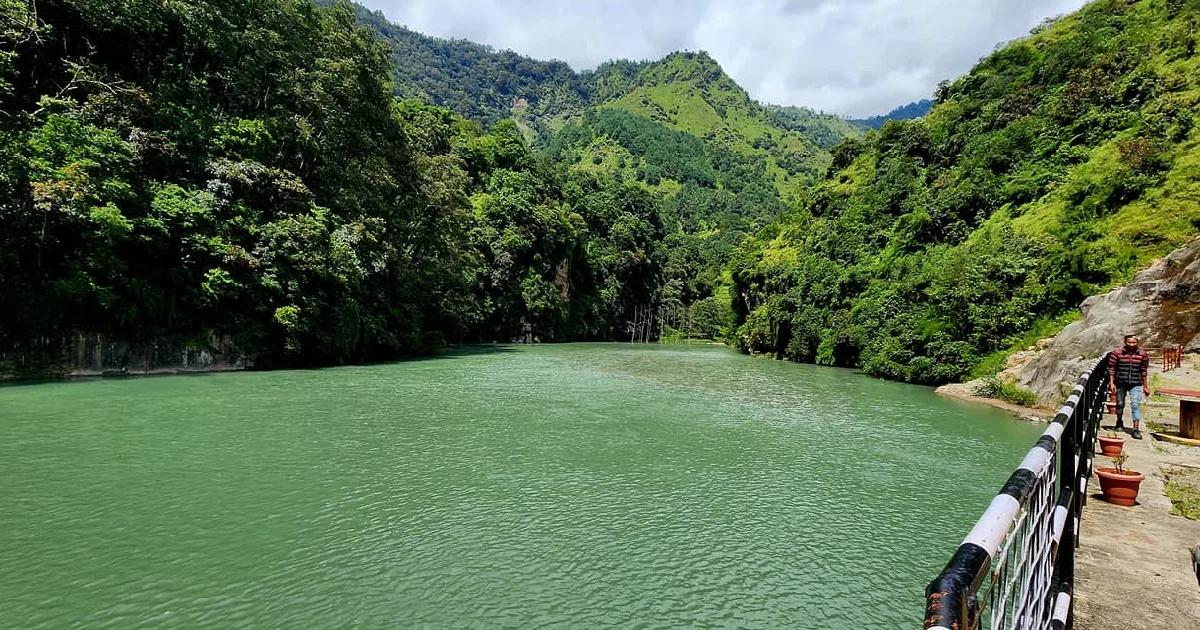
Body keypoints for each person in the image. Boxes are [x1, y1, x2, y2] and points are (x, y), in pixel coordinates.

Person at [1108, 334, 1150, 439]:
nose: (1131, 344)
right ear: (1125, 342)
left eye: (1134, 342)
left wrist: (1145, 386)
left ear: (1137, 343)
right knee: (1120, 403)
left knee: (1135, 404)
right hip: (1120, 381)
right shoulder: (1117, 353)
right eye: (1129, 342)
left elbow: (1144, 371)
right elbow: (1112, 368)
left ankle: (1136, 429)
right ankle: (1119, 421)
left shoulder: (1142, 354)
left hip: (1136, 382)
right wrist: (1112, 383)